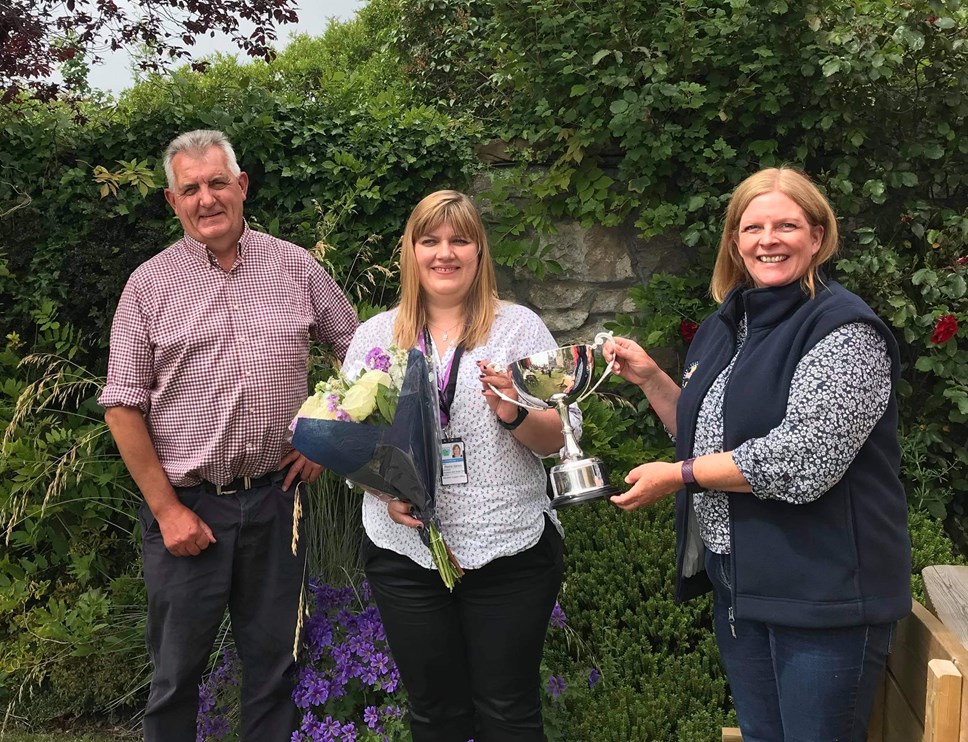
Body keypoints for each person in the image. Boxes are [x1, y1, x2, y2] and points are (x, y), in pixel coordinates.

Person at [605, 167, 911, 742]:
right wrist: (652, 381)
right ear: (735, 241)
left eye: (787, 225)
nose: (768, 239)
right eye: (753, 227)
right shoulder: (731, 324)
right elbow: (707, 436)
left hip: (824, 597)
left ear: (817, 237)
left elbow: (803, 458)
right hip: (740, 584)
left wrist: (679, 476)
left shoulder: (844, 331)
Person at [99, 129, 358, 742]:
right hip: (188, 512)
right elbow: (122, 407)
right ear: (172, 201)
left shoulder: (296, 267)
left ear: (241, 186)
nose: (206, 198)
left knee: (273, 668)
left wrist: (326, 437)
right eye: (190, 188)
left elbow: (360, 354)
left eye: (217, 183)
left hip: (276, 500)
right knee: (175, 676)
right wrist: (166, 511)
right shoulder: (148, 286)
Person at [343, 189, 572, 741]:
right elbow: (351, 444)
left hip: (508, 549)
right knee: (435, 715)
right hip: (407, 556)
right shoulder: (374, 336)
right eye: (431, 240)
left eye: (460, 240)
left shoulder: (520, 330)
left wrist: (514, 414)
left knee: (509, 713)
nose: (445, 253)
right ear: (411, 252)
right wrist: (384, 491)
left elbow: (561, 437)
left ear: (479, 252)